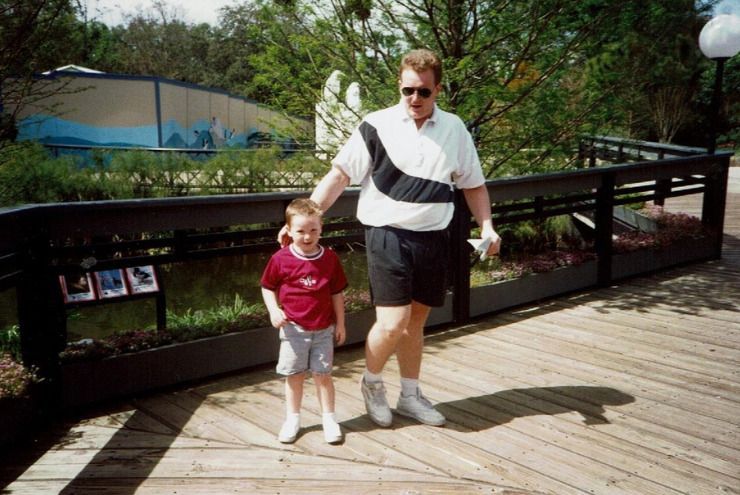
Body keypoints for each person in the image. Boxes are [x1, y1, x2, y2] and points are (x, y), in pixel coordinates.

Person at [280, 49, 501, 428]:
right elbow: (339, 175)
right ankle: (372, 384)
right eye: (407, 90)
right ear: (399, 86)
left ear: (438, 90)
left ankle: (410, 394)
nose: (415, 99)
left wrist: (487, 227)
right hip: (387, 235)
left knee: (415, 325)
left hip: (433, 237)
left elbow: (473, 185)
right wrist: (304, 216)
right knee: (393, 323)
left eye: (424, 92)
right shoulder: (376, 125)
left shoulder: (454, 129)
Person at [261, 198, 348, 444]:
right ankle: (293, 418)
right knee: (295, 375)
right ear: (288, 230)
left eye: (313, 230)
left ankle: (329, 419)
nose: (307, 237)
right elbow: (267, 287)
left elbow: (337, 293)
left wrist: (340, 324)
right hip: (293, 330)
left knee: (323, 375)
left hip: (323, 329)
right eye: (300, 231)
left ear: (321, 229)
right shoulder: (280, 258)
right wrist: (273, 310)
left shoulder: (330, 258)